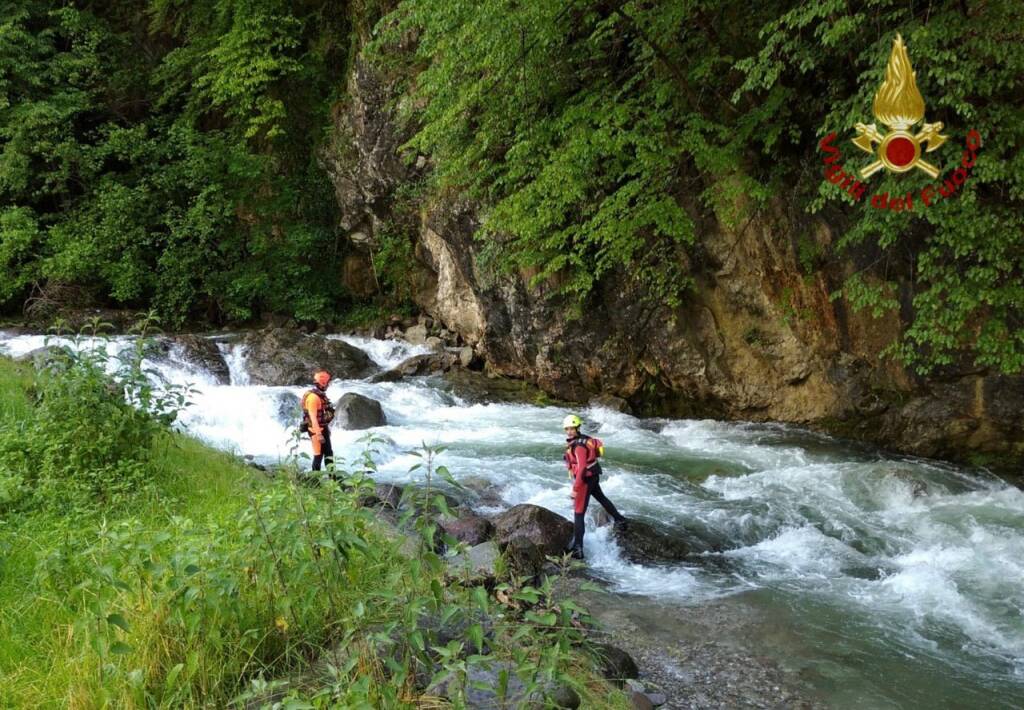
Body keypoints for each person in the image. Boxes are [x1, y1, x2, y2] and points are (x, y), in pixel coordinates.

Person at [562, 414, 627, 559]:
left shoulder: (578, 446)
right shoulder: (584, 439)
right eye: (567, 429)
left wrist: (575, 489)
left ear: (577, 427)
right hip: (593, 475)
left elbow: (582, 467)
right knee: (601, 497)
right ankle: (620, 519)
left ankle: (578, 548)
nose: (569, 431)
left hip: (585, 479)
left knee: (578, 514)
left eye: (571, 428)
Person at [301, 370, 335, 472]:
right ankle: (316, 481)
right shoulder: (313, 398)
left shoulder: (318, 395)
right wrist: (319, 434)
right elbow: (313, 417)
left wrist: (325, 429)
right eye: (327, 383)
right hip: (316, 430)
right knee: (318, 454)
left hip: (321, 428)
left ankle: (332, 478)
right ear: (323, 383)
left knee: (328, 453)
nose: (328, 385)